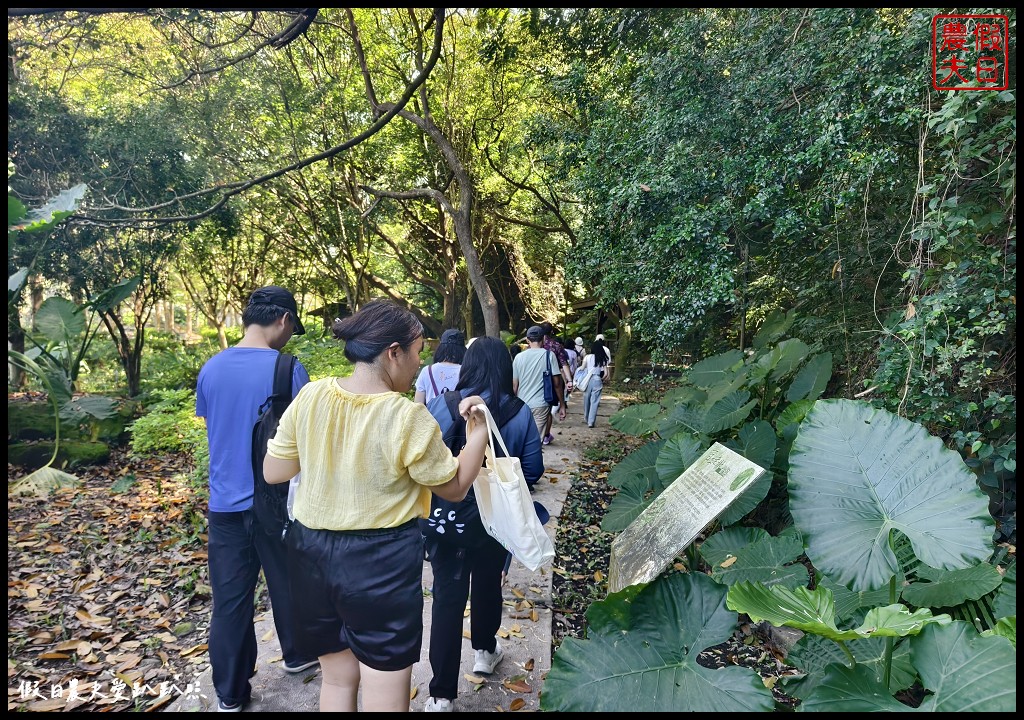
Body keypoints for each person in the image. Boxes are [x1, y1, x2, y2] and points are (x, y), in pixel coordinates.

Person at [262, 299, 490, 712]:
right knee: (384, 692)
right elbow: (454, 487)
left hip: (310, 556)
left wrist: (326, 448)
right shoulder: (406, 417)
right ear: (393, 352)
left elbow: (274, 471)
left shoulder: (312, 396)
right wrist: (477, 432)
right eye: (418, 351)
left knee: (335, 680)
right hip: (380, 563)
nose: (419, 364)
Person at [195, 285, 319, 713]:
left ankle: (230, 692)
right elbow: (307, 440)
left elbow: (216, 429)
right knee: (288, 581)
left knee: (229, 601)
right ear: (283, 319)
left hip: (224, 506)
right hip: (277, 503)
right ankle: (297, 654)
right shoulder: (287, 369)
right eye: (292, 328)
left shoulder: (210, 369)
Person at [422, 336, 544, 713]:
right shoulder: (520, 412)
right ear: (506, 368)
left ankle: (441, 695)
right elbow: (534, 469)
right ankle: (484, 651)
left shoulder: (440, 406)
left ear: (467, 365)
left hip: (446, 520)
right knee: (488, 584)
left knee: (447, 599)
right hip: (495, 522)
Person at [512, 325, 565, 444]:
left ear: (527, 340)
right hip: (541, 405)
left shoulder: (518, 358)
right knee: (534, 443)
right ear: (544, 339)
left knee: (522, 440)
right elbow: (557, 384)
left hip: (521, 405)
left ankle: (521, 462)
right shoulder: (549, 355)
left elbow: (514, 386)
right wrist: (562, 405)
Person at [539, 322, 572, 445]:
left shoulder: (534, 346)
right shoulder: (557, 346)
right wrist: (569, 380)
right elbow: (564, 364)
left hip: (536, 380)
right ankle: (545, 435)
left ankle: (539, 434)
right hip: (553, 381)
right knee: (547, 409)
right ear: (552, 332)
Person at [414, 329, 466, 405]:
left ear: (441, 348)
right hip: (459, 416)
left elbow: (418, 405)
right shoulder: (466, 371)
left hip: (431, 416)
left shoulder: (427, 371)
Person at [581, 337, 610, 428]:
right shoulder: (602, 358)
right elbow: (605, 374)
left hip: (588, 380)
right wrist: (601, 380)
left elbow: (582, 368)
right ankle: (591, 422)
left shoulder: (587, 357)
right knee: (595, 401)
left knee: (586, 399)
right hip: (597, 379)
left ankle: (586, 417)